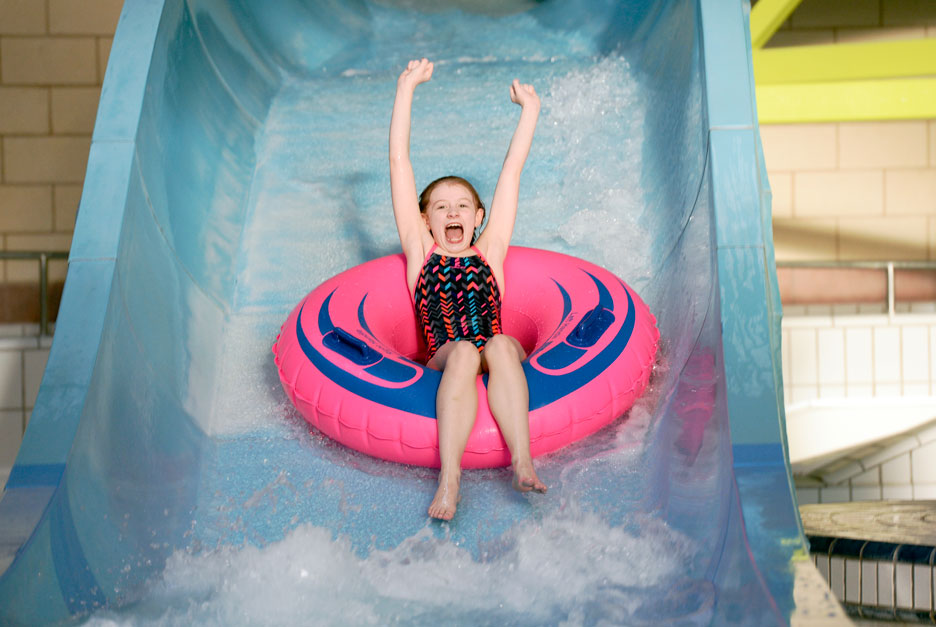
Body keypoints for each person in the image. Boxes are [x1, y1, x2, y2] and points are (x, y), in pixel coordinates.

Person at [389, 58, 547, 520]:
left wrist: (529, 111)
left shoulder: (489, 253)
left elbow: (512, 173)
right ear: (426, 220)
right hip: (447, 353)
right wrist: (407, 90)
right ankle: (450, 480)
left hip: (493, 346)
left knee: (496, 344)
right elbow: (400, 162)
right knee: (462, 351)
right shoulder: (422, 253)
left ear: (478, 217)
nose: (452, 212)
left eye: (463, 205)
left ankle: (522, 462)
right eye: (441, 206)